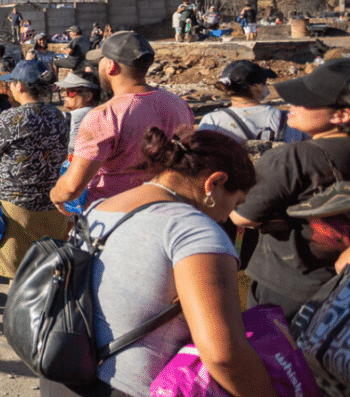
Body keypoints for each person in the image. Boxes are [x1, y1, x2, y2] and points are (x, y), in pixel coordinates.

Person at [39, 127, 282, 397]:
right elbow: (223, 354)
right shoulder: (194, 231)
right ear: (214, 182)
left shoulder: (101, 208)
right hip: (125, 388)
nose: (228, 216)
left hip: (64, 375)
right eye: (235, 202)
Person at [232, 59, 350, 320]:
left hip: (288, 289)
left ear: (341, 115)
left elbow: (244, 217)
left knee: (279, 357)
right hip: (341, 287)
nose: (291, 106)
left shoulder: (294, 158)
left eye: (304, 100)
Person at [50, 31, 194, 212]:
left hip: (115, 217)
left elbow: (71, 187)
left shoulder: (104, 115)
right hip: (168, 209)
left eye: (100, 60)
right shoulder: (178, 104)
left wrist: (55, 195)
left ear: (111, 66)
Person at [0, 60, 70, 279]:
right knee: (47, 275)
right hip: (53, 205)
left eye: (13, 83)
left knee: (18, 279)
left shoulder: (11, 118)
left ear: (21, 86)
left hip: (16, 209)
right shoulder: (59, 116)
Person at [198, 60, 306, 144]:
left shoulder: (213, 121)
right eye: (265, 83)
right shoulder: (290, 119)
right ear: (257, 87)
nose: (267, 87)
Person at [54, 71, 101, 155]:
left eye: (71, 91)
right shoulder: (102, 113)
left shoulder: (73, 116)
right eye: (64, 90)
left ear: (87, 96)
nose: (63, 94)